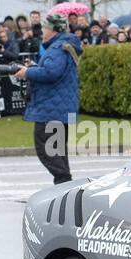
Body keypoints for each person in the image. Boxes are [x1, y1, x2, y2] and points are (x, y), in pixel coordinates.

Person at [14, 12, 82, 186]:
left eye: (44, 27)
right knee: (57, 150)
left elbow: (51, 72)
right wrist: (33, 68)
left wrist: (27, 72)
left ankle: (63, 181)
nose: (42, 31)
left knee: (46, 147)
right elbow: (53, 71)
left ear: (53, 30)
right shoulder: (62, 46)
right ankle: (64, 185)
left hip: (52, 109)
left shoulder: (58, 48)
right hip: (59, 108)